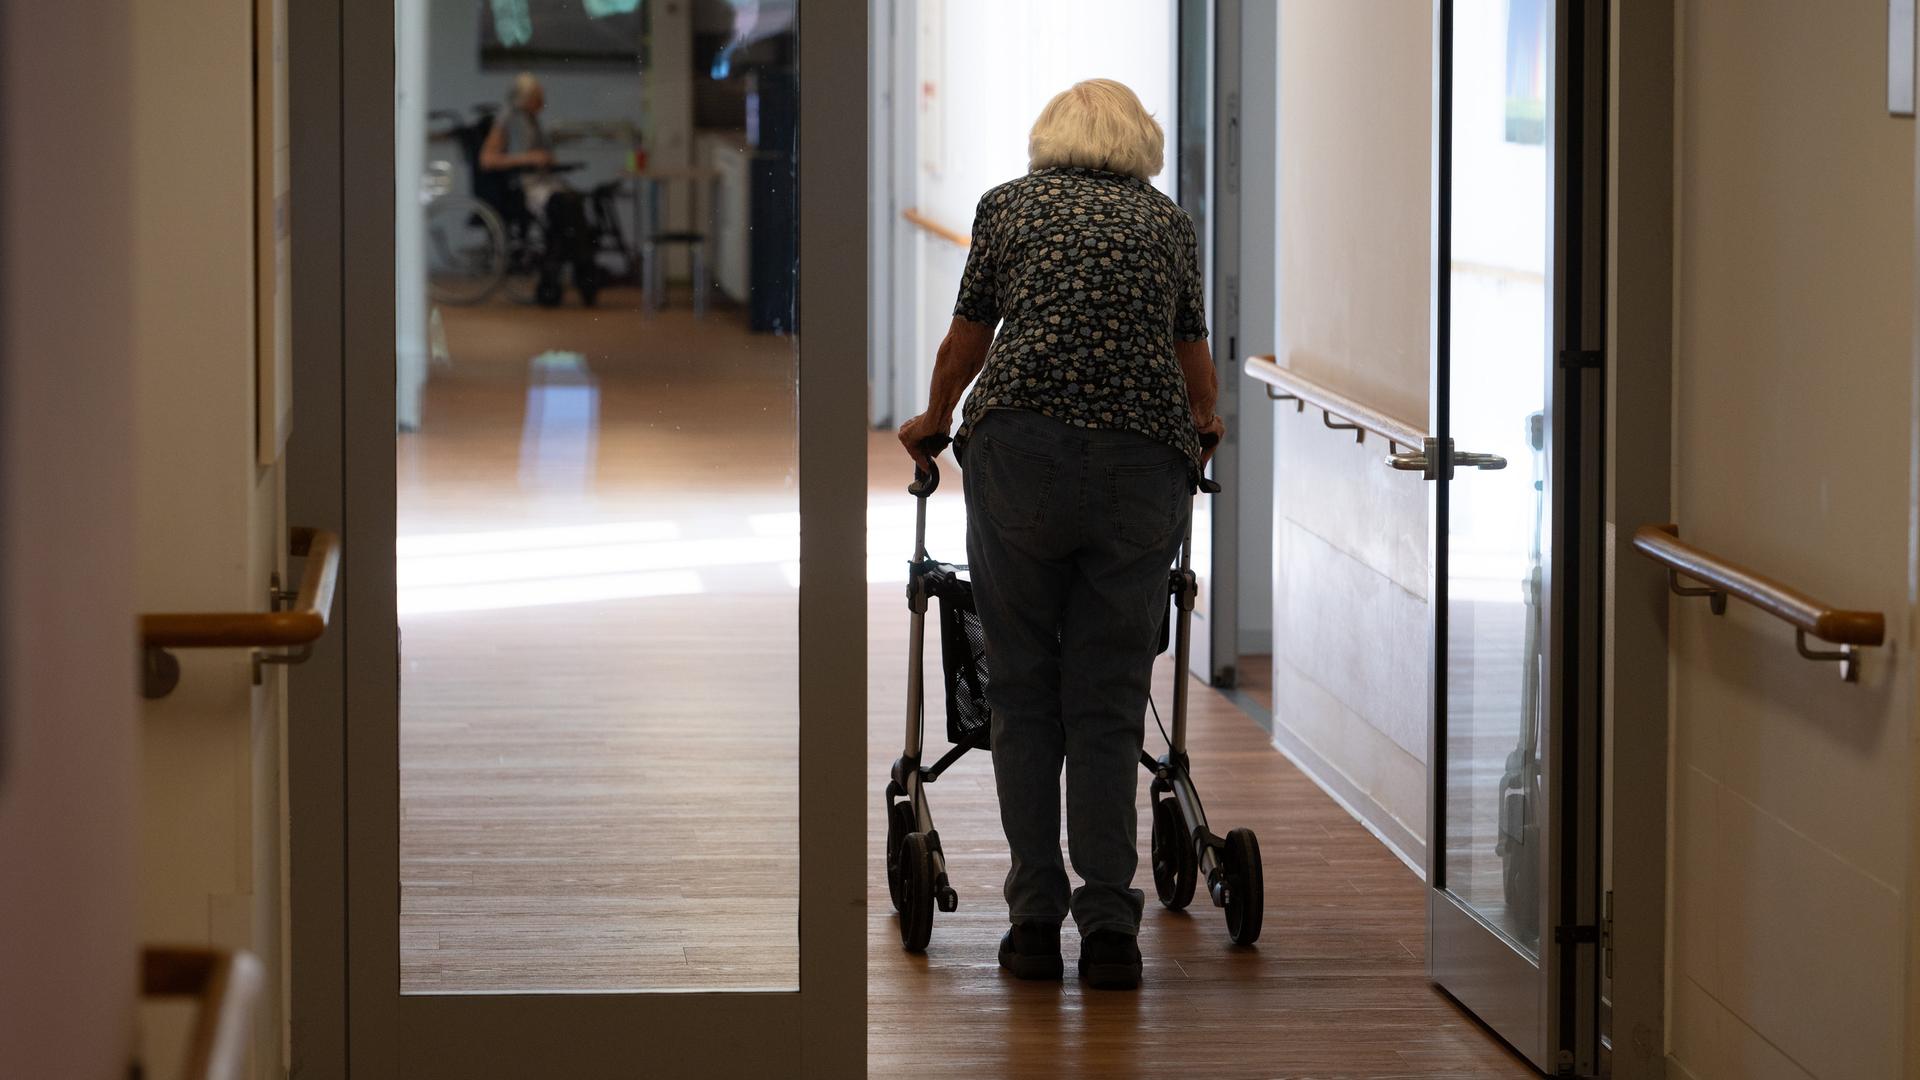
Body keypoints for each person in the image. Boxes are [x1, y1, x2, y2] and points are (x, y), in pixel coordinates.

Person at [896, 79, 1225, 991]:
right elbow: (1194, 361)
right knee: (1110, 695)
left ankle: (1035, 920)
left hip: (1020, 459)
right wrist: (1204, 424)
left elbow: (969, 340)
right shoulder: (1167, 224)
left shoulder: (1007, 208)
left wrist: (932, 418)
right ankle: (1112, 932)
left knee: (1024, 688)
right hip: (1138, 467)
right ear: (1140, 143)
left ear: (1049, 139)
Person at [479, 73, 599, 303]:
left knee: (574, 204)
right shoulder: (508, 119)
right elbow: (488, 160)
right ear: (526, 98)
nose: (542, 102)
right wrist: (529, 158)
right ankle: (573, 269)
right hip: (524, 186)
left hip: (544, 182)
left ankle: (582, 265)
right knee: (562, 208)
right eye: (538, 97)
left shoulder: (532, 119)